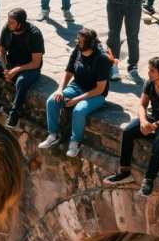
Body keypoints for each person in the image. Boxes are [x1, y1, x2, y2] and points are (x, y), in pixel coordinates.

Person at [104, 57, 159, 196]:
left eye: (152, 71)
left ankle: (149, 180)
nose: (149, 73)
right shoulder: (149, 83)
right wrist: (143, 121)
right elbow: (142, 105)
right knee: (128, 131)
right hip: (155, 117)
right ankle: (124, 172)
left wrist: (153, 126)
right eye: (149, 70)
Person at [40, 28, 110, 157]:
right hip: (76, 87)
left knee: (79, 110)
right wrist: (60, 90)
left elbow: (100, 89)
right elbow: (69, 72)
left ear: (89, 44)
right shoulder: (77, 51)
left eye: (81, 41)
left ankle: (75, 142)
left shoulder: (102, 60)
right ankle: (53, 134)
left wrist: (77, 100)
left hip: (96, 94)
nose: (77, 42)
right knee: (52, 101)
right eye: (78, 39)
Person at [0, 7, 44, 129]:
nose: (9, 24)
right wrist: (5, 70)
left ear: (20, 23)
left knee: (21, 82)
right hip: (10, 63)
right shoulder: (7, 28)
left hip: (29, 68)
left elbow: (36, 62)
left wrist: (16, 70)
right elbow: (1, 52)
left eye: (12, 22)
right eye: (8, 21)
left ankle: (14, 114)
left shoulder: (34, 34)